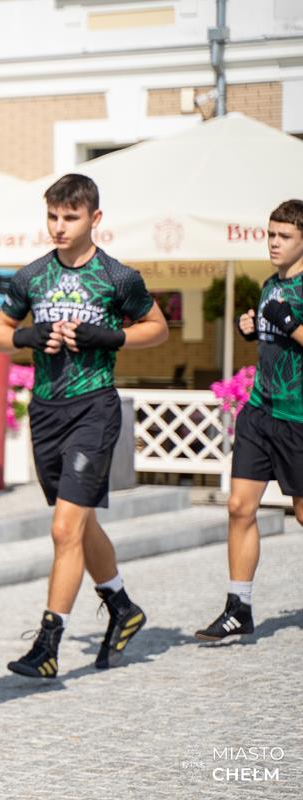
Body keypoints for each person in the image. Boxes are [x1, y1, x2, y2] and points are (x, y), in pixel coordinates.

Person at [0, 173, 168, 679]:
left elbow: (157, 329)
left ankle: (48, 645)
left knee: (65, 527)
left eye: (70, 217)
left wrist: (110, 336)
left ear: (95, 218)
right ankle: (122, 606)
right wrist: (28, 336)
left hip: (94, 408)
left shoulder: (117, 277)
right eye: (53, 216)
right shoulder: (31, 276)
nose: (59, 226)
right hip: (46, 411)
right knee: (80, 522)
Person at [196, 199, 303, 641]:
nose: (274, 243)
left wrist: (290, 322)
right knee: (239, 507)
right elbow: (274, 339)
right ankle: (238, 607)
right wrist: (253, 328)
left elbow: (293, 330)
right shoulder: (268, 286)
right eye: (271, 234)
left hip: (298, 418)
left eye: (284, 237)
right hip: (259, 411)